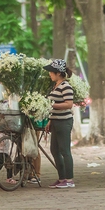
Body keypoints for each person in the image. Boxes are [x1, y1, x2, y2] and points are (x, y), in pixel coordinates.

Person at [44, 59, 75, 189]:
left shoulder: (66, 87)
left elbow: (69, 104)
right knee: (54, 150)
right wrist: (50, 121)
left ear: (58, 73)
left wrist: (52, 105)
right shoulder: (55, 86)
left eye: (51, 72)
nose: (49, 74)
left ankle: (69, 180)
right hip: (56, 121)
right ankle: (61, 178)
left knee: (65, 151)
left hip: (64, 122)